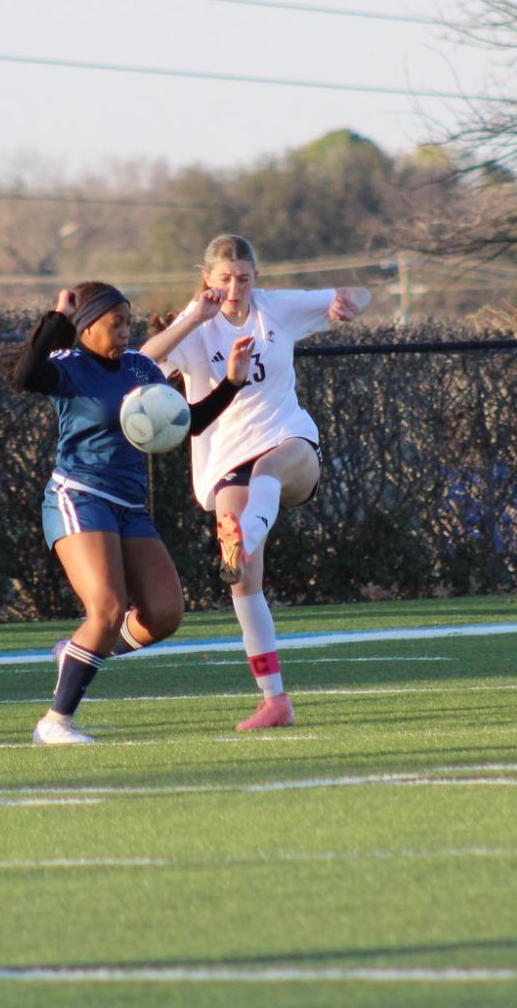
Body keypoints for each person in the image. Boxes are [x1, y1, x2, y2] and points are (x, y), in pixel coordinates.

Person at [7, 281, 254, 744]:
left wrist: (232, 384)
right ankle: (55, 722)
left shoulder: (140, 367)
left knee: (163, 615)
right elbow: (24, 375)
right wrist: (57, 317)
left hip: (129, 505)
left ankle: (78, 651)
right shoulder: (68, 366)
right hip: (80, 497)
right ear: (85, 326)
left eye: (127, 323)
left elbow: (187, 422)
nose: (124, 332)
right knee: (107, 608)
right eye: (113, 324)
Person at [142, 234, 371, 731]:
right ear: (207, 278)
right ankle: (275, 700)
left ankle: (242, 534)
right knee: (244, 581)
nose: (234, 288)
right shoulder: (196, 322)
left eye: (243, 278)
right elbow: (142, 363)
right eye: (224, 279)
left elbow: (357, 294)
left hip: (290, 443)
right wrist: (190, 321)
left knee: (266, 474)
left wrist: (345, 302)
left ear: (256, 277)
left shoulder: (275, 308)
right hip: (227, 459)